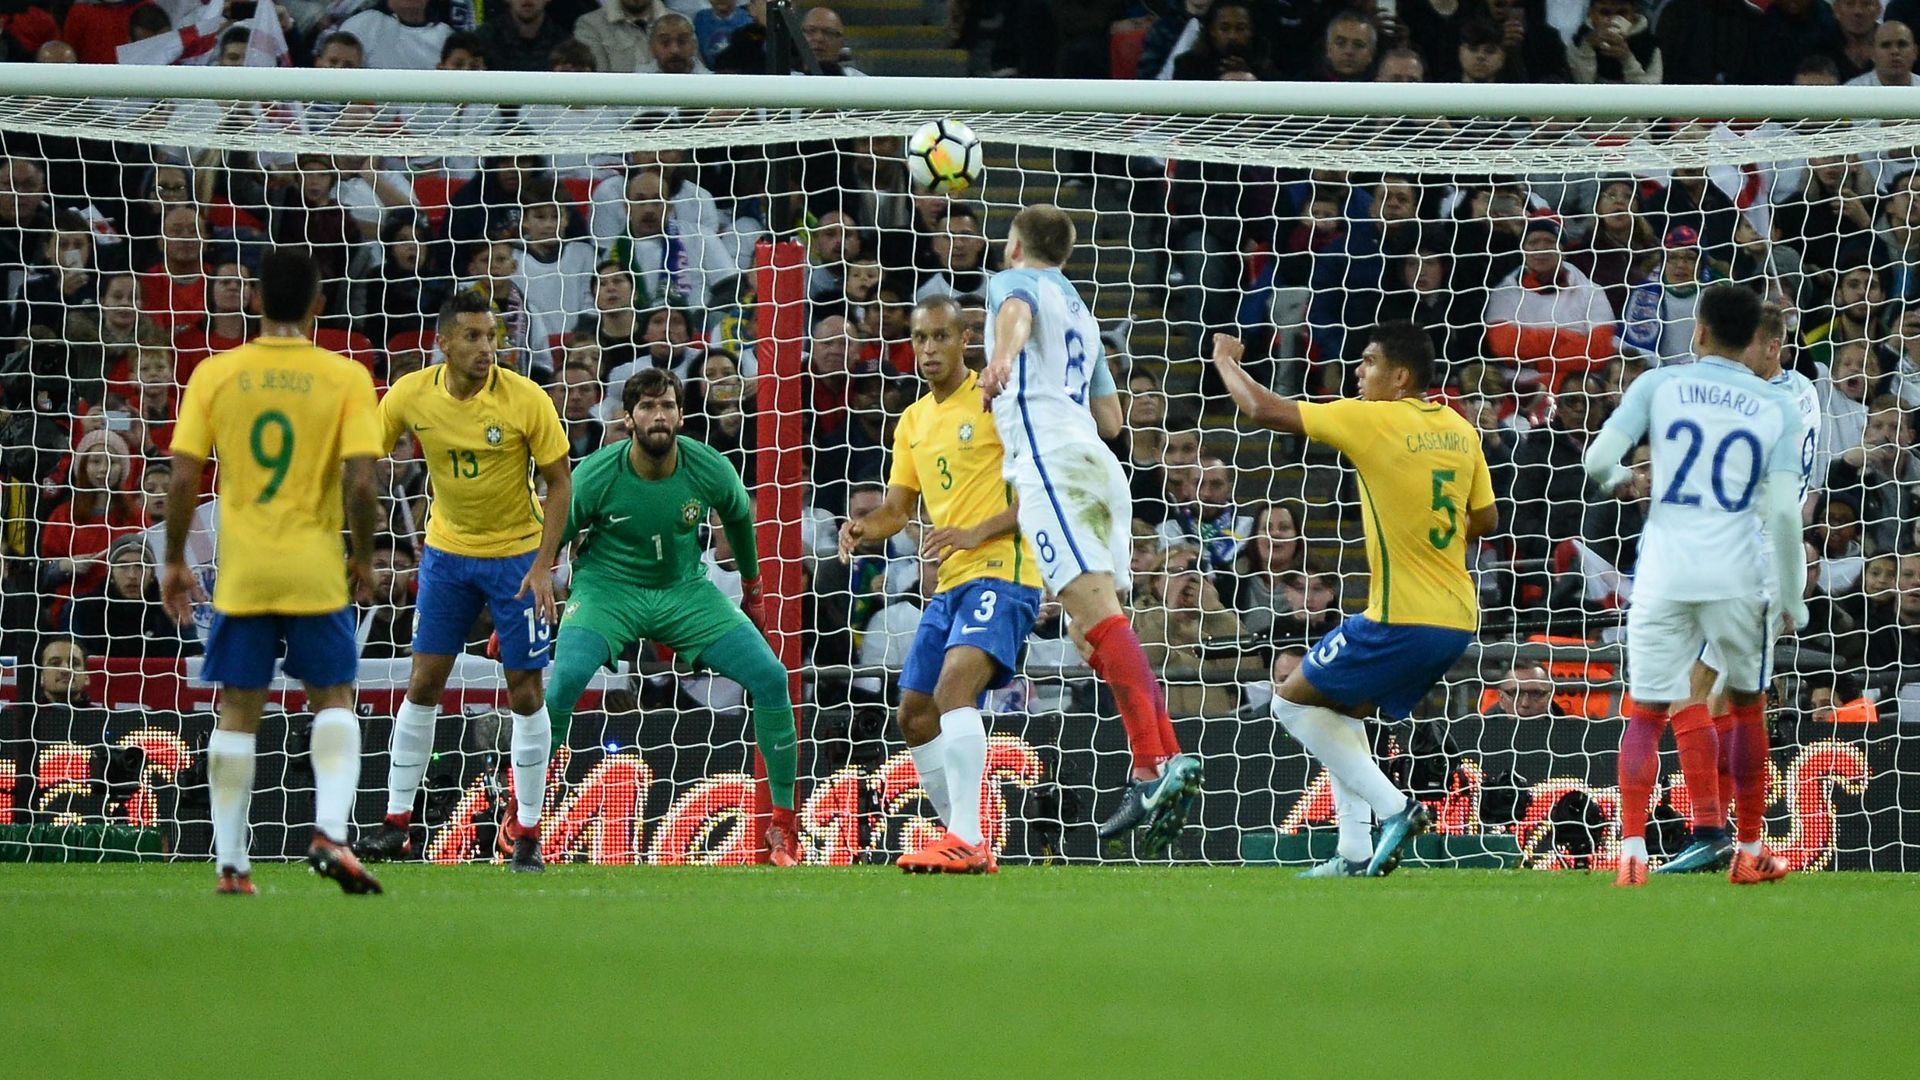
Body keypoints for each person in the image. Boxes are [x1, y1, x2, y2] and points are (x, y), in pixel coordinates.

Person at [1210, 322, 1496, 878]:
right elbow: (1485, 518)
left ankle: (1395, 808)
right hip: (1457, 618)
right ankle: (1353, 851)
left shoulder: (1374, 418)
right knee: (1338, 709)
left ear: (1400, 376)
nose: (1358, 373)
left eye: (1368, 362)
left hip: (1400, 617)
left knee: (1290, 704)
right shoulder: (1461, 430)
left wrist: (1224, 359)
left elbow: (1263, 409)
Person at [159, 249, 384, 897]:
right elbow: (361, 481)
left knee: (237, 709)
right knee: (333, 698)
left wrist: (173, 559)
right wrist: (362, 555)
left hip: (244, 572)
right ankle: (330, 832)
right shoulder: (345, 376)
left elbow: (182, 477)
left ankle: (232, 866)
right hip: (314, 569)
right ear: (318, 304)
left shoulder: (214, 373)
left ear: (254, 299)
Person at [977, 203, 1201, 855]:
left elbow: (1015, 311)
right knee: (1092, 629)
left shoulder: (1013, 283)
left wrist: (1001, 359)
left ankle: (1151, 769)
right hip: (1099, 466)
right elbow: (1111, 418)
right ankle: (1164, 760)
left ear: (1015, 246)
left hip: (1052, 464)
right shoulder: (1082, 310)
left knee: (1098, 621)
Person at [1580, 282, 1807, 887]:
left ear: (1698, 330)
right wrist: (1793, 594)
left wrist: (1624, 477)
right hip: (1737, 570)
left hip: (1664, 568)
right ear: (1752, 337)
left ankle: (1631, 853)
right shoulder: (1778, 405)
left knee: (1647, 711)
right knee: (1747, 707)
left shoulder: (1658, 385)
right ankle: (1750, 849)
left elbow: (1597, 462)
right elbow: (1786, 514)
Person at [544, 368, 802, 865]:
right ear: (628, 419)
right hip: (607, 589)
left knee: (772, 677)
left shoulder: (708, 466)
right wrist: (521, 601)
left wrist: (754, 591)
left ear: (681, 416)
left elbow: (739, 518)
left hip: (683, 590)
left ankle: (783, 828)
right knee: (565, 681)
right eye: (647, 407)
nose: (658, 415)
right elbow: (553, 534)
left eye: (666, 406)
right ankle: (524, 814)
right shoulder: (596, 473)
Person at [352, 291, 572, 873]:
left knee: (525, 692)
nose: (486, 348)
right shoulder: (410, 393)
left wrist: (543, 565)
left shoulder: (526, 399)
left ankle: (527, 832)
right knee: (424, 682)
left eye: (492, 336)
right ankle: (395, 824)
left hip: (515, 560)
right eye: (473, 336)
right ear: (444, 342)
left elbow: (560, 483)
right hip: (446, 558)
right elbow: (366, 454)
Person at [837, 296, 1041, 873]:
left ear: (964, 340)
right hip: (950, 583)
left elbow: (1041, 494)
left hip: (1004, 572)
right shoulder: (913, 421)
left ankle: (966, 838)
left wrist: (976, 532)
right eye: (919, 338)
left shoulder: (997, 399)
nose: (928, 349)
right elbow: (898, 510)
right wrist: (864, 527)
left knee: (954, 691)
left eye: (940, 337)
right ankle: (965, 836)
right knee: (915, 713)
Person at [1669, 301, 1820, 886]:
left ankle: (1711, 831)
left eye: (1743, 344)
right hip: (1766, 560)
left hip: (1749, 561)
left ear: (1772, 347)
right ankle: (1724, 834)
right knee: (1723, 700)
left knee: (1692, 690)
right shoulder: (1801, 391)